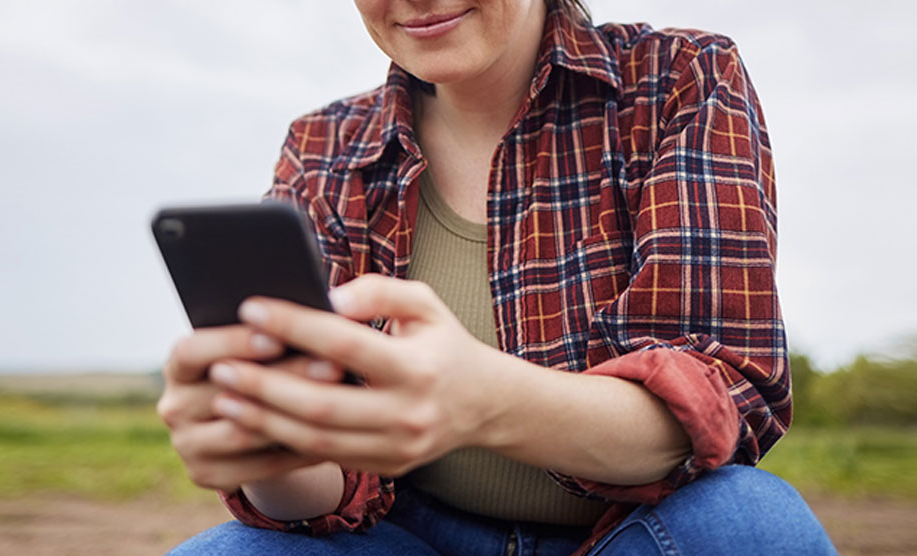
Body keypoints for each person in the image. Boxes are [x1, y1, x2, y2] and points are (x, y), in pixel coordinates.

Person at [159, 0, 837, 554]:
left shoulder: (680, 80)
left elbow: (717, 404)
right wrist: (269, 444)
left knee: (749, 524)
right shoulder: (323, 147)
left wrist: (484, 401)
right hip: (409, 537)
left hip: (630, 537)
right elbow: (327, 491)